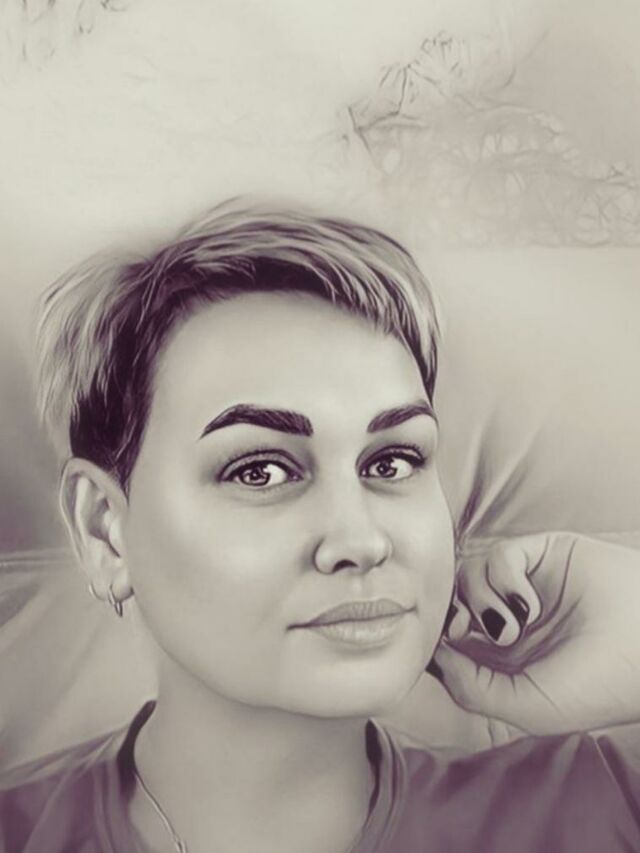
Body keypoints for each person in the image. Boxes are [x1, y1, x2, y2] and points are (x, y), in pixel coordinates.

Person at [0, 198, 639, 852]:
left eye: (392, 461)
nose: (361, 541)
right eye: (259, 471)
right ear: (105, 529)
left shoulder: (598, 805)